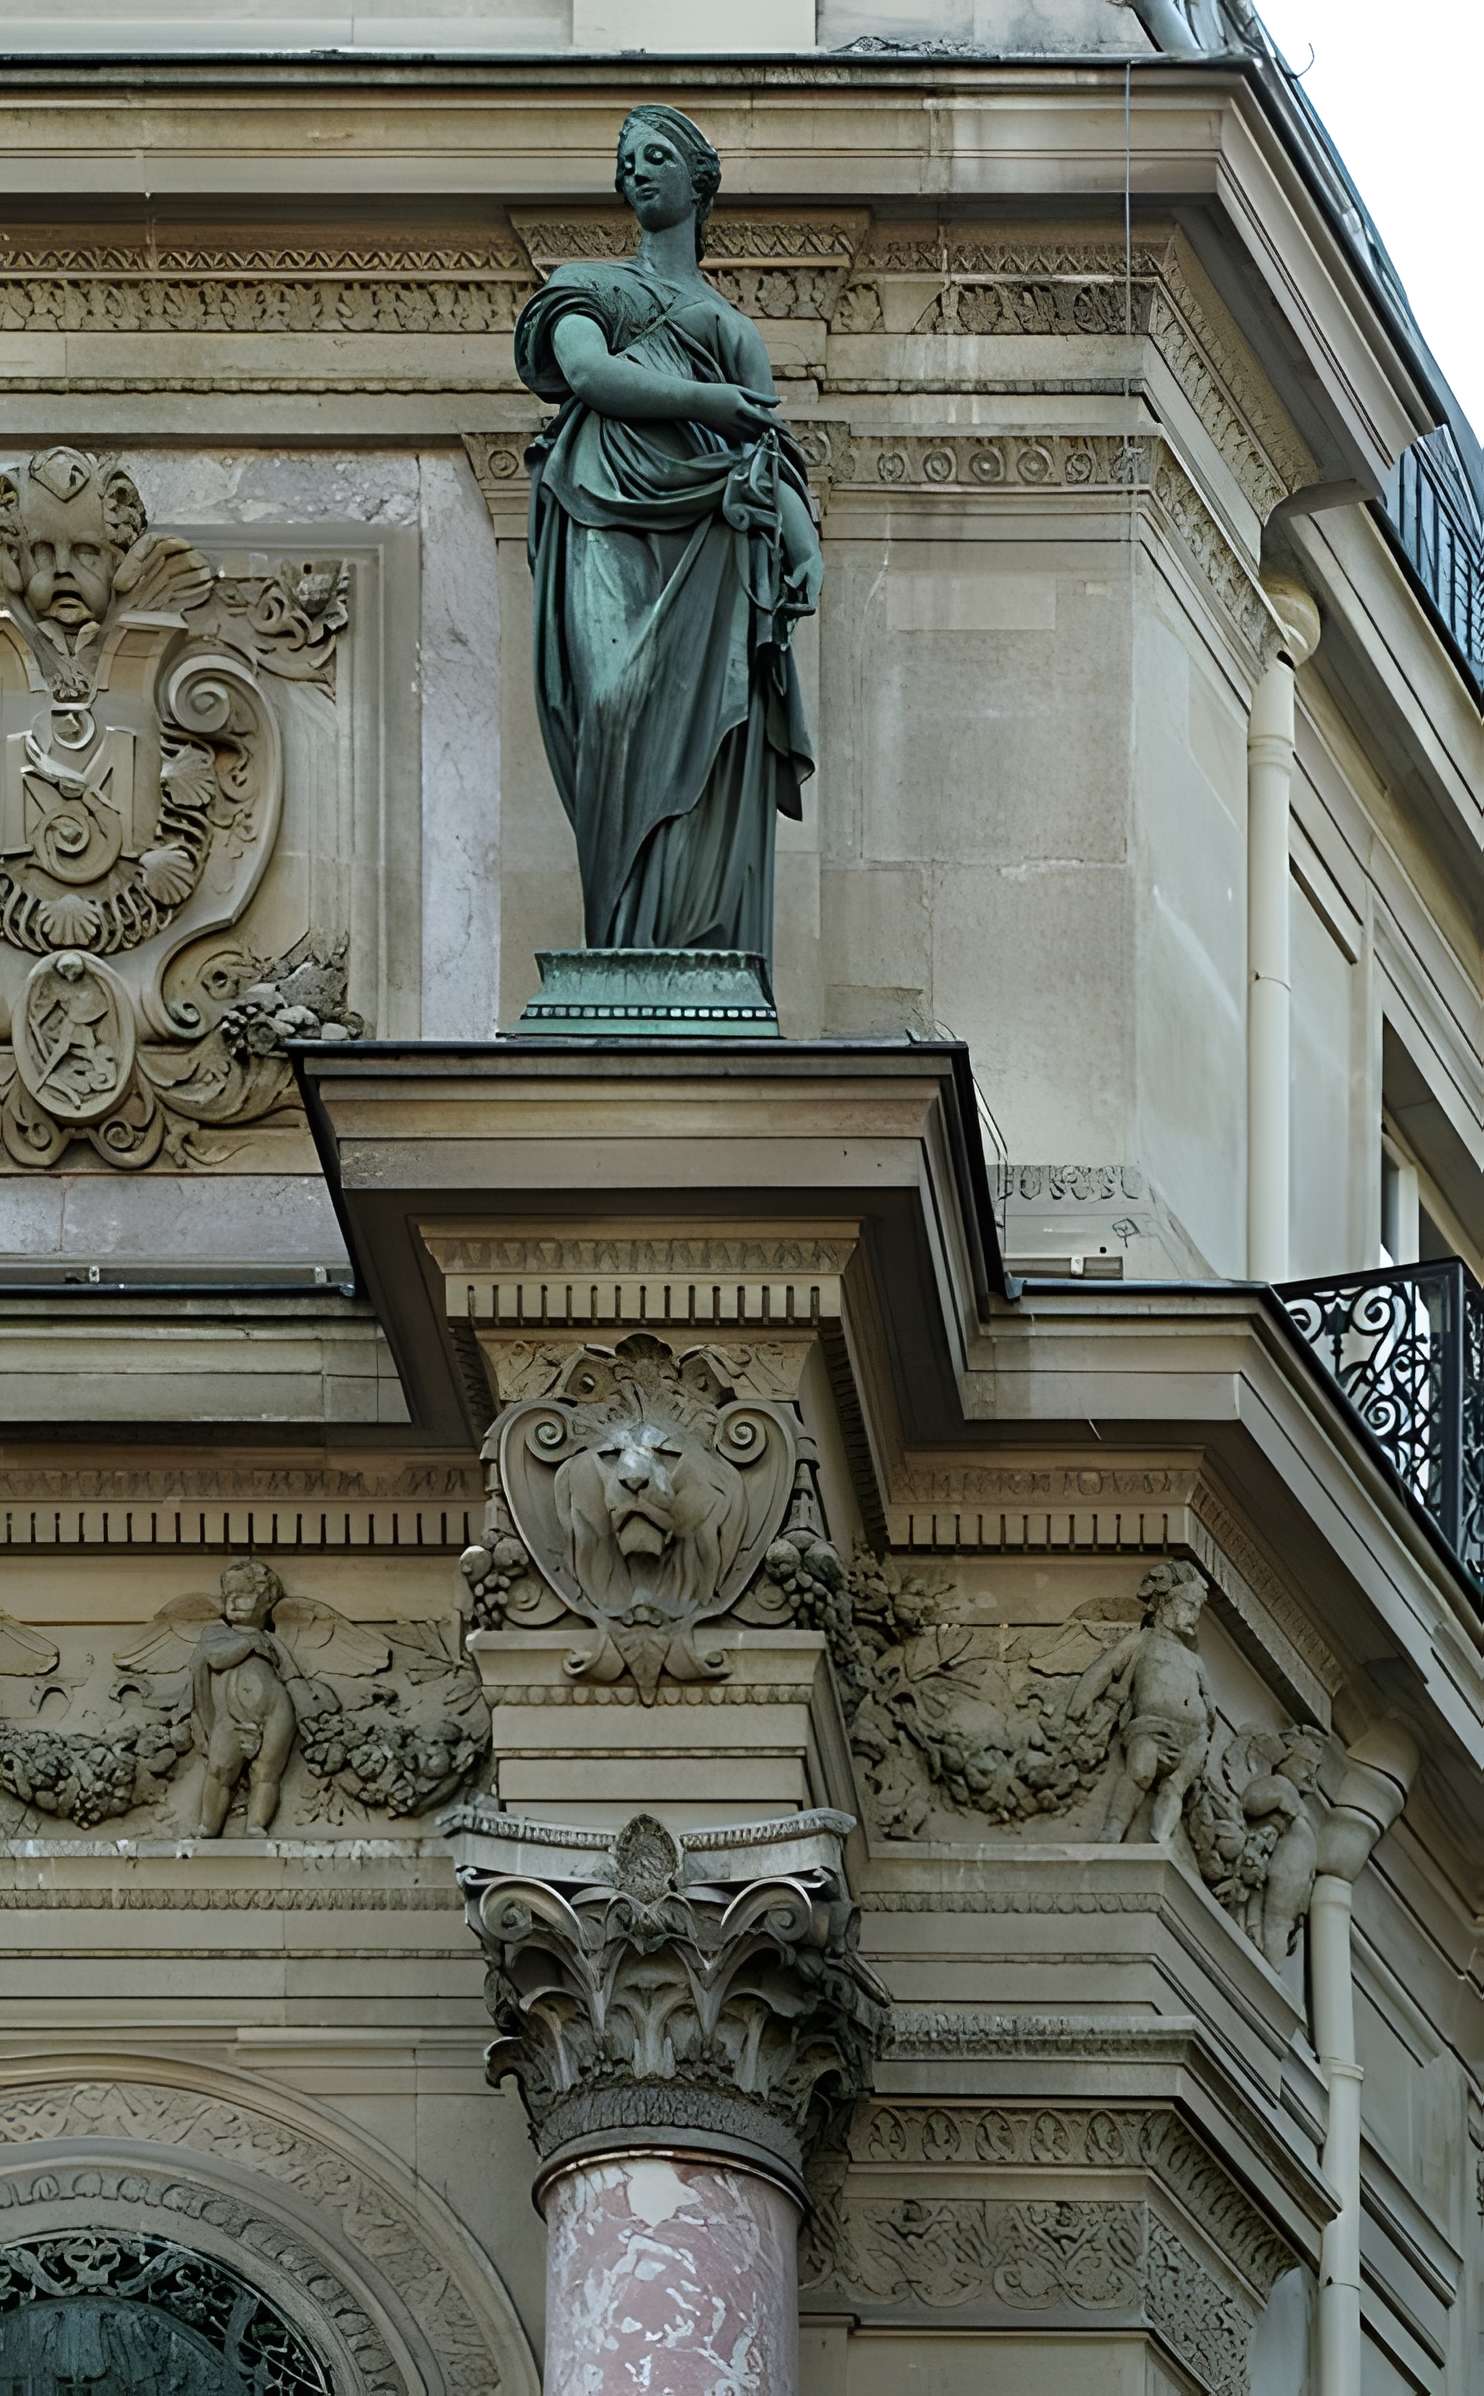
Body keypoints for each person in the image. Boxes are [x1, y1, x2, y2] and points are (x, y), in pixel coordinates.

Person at [513, 104, 821, 961]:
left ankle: (682, 941)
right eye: (626, 163)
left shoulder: (733, 329)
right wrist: (702, 401)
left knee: (706, 723)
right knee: (612, 702)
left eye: (655, 157)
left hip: (708, 536)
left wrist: (804, 541)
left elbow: (766, 451)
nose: (635, 172)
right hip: (602, 506)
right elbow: (586, 372)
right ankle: (618, 940)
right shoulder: (587, 285)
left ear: (698, 180)